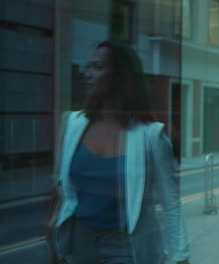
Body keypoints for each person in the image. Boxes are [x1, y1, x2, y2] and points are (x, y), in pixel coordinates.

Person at [48, 41, 190, 264]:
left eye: (97, 67)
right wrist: (54, 242)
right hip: (80, 242)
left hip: (126, 246)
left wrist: (180, 256)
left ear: (119, 76)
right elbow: (60, 190)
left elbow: (170, 204)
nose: (87, 74)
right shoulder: (72, 124)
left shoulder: (150, 136)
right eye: (88, 67)